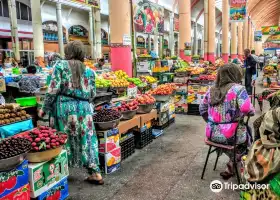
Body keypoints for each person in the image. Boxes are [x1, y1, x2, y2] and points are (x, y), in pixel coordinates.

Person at [39, 41, 103, 185]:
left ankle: (60, 173)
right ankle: (95, 173)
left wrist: (45, 108)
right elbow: (92, 94)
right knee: (87, 139)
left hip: (64, 108)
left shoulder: (60, 66)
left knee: (63, 138)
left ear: (69, 52)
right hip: (85, 109)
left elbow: (52, 90)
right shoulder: (90, 71)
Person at [199, 63, 255, 180]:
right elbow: (247, 109)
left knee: (237, 135)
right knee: (248, 137)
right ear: (235, 74)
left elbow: (202, 109)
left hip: (211, 134)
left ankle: (231, 164)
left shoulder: (212, 90)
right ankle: (233, 164)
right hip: (231, 136)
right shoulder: (239, 89)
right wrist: (251, 111)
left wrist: (213, 122)